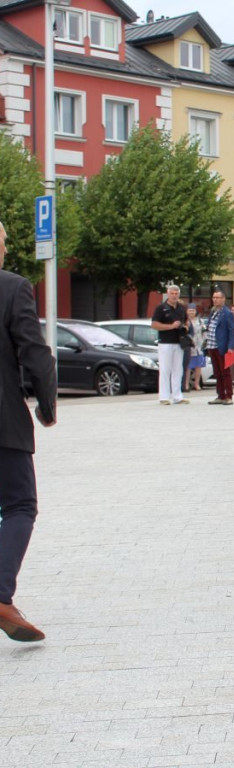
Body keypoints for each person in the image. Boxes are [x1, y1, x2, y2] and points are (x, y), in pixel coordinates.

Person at [0, 220, 57, 642]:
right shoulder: (12, 287)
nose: (6, 249)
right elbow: (35, 352)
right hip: (2, 420)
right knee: (20, 505)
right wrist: (47, 404)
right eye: (3, 242)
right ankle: (1, 595)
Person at [150, 284, 189, 405]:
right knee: (165, 369)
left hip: (179, 342)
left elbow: (187, 320)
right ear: (168, 294)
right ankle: (164, 397)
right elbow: (154, 324)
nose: (174, 296)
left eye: (176, 293)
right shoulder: (161, 308)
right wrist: (170, 326)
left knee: (178, 369)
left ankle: (177, 396)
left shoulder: (181, 307)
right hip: (165, 342)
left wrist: (186, 327)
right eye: (172, 293)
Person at [204, 289, 234, 405]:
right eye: (214, 297)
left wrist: (230, 347)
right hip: (212, 346)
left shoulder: (227, 313)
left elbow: (232, 331)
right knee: (217, 372)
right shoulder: (213, 312)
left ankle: (228, 396)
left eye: (217, 297)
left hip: (222, 347)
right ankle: (220, 395)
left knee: (225, 373)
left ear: (223, 299)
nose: (215, 300)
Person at [184, 304, 206, 393]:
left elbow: (204, 332)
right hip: (190, 345)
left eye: (193, 310)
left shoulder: (200, 321)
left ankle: (197, 384)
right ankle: (186, 384)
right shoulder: (186, 321)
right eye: (189, 310)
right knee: (188, 366)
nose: (191, 312)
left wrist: (205, 342)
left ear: (195, 311)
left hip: (199, 346)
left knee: (198, 366)